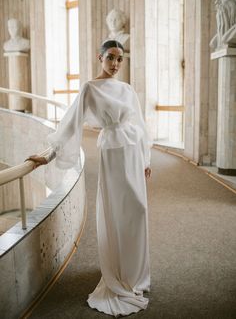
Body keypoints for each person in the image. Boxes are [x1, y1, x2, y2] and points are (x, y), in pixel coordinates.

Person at [25, 40, 152, 317]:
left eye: (120, 59)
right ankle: (120, 275)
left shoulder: (128, 89)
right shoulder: (89, 88)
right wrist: (49, 154)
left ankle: (136, 274)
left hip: (132, 154)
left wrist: (146, 159)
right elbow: (71, 122)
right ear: (100, 58)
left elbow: (140, 125)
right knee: (119, 214)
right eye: (111, 58)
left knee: (138, 211)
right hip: (114, 157)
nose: (116, 64)